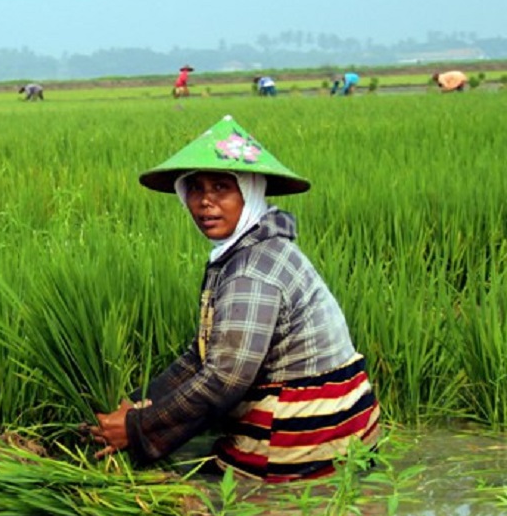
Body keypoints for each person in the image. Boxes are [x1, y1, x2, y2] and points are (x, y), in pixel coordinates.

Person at [89, 115, 381, 482]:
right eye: (195, 188)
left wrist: (137, 428)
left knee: (209, 498)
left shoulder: (251, 271)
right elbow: (203, 355)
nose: (205, 202)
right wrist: (139, 401)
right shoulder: (254, 246)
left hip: (306, 435)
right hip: (347, 424)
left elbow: (224, 379)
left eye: (221, 187)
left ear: (250, 191)